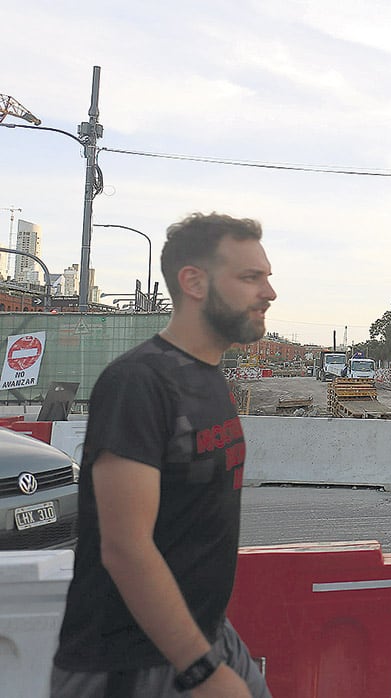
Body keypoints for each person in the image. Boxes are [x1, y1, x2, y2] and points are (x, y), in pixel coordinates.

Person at [51, 213, 277, 697]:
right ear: (193, 282)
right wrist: (201, 672)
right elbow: (126, 547)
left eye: (267, 278)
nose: (269, 293)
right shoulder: (139, 383)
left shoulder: (209, 377)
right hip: (129, 665)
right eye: (250, 278)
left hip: (205, 640)